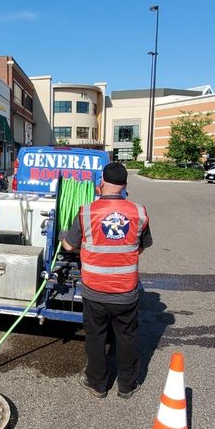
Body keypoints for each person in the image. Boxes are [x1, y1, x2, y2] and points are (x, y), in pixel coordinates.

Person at [59, 161, 153, 399]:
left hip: (95, 291)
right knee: (127, 337)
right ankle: (127, 386)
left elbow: (70, 245)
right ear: (125, 186)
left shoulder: (86, 211)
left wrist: (62, 236)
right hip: (125, 291)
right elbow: (140, 247)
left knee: (96, 336)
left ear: (101, 184)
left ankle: (98, 385)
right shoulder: (140, 212)